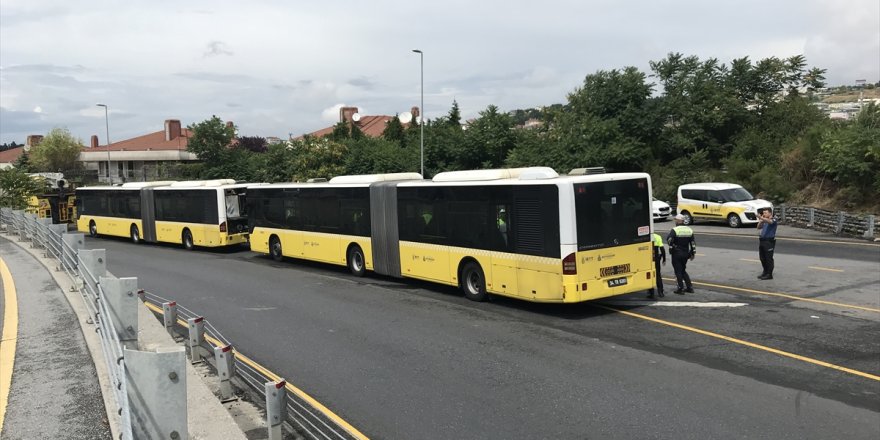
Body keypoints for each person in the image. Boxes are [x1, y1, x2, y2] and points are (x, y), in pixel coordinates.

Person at [667, 214, 696, 294]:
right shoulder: (689, 230)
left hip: (677, 253)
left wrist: (672, 247)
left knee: (678, 271)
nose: (675, 221)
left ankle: (680, 288)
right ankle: (689, 287)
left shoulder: (675, 230)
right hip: (686, 254)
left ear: (679, 221)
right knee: (683, 270)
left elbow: (669, 240)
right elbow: (693, 243)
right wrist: (693, 253)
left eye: (676, 219)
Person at [756, 207, 777, 280]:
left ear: (770, 213)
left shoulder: (774, 219)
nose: (764, 214)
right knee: (762, 258)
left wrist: (761, 218)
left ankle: (769, 274)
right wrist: (761, 220)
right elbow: (758, 227)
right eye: (763, 213)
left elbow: (770, 222)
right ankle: (765, 271)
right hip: (762, 240)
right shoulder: (764, 221)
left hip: (769, 242)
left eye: (765, 213)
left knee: (768, 258)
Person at [647, 232, 666, 298]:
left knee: (649, 275)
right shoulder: (658, 236)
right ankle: (660, 292)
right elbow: (662, 249)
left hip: (648, 258)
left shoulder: (647, 236)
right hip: (656, 258)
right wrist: (664, 259)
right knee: (658, 274)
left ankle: (651, 293)